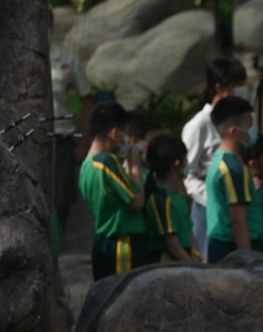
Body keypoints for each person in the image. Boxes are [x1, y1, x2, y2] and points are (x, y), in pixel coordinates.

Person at [182, 56, 248, 261]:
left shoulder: (243, 119)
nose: (242, 89)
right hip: (208, 208)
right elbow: (187, 174)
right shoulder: (199, 125)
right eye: (237, 85)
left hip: (237, 204)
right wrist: (213, 198)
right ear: (220, 87)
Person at [78, 101, 146, 280]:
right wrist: (135, 166)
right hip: (121, 247)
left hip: (102, 243)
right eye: (125, 134)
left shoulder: (86, 165)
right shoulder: (106, 162)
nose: (126, 141)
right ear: (115, 134)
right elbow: (137, 201)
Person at [49, 9, 93, 244]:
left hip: (61, 137)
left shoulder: (67, 60)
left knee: (62, 193)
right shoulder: (20, 59)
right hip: (32, 137)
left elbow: (87, 99)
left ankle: (59, 238)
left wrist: (84, 141)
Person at [205, 96, 262, 264]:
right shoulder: (233, 168)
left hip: (225, 246)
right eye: (249, 125)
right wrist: (247, 260)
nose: (253, 131)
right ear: (234, 132)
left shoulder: (221, 160)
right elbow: (237, 219)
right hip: (232, 248)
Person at [143, 135, 197, 263]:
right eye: (185, 159)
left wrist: (197, 256)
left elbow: (189, 232)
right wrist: (193, 267)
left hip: (185, 262)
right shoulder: (162, 200)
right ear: (177, 163)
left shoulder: (177, 196)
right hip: (168, 267)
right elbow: (172, 245)